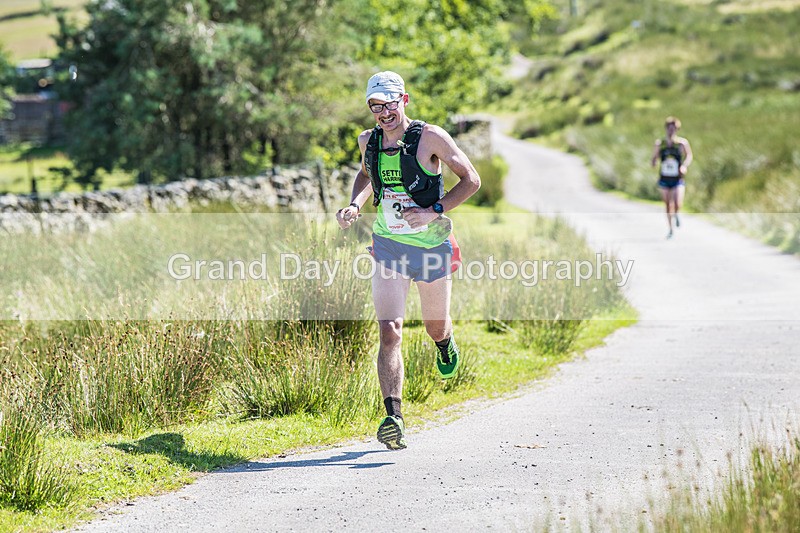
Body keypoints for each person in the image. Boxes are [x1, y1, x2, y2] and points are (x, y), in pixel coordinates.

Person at [336, 71, 481, 450]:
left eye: (389, 103)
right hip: (388, 245)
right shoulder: (368, 140)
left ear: (405, 100)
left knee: (435, 327)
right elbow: (366, 174)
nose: (383, 112)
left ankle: (445, 342)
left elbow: (472, 180)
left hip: (432, 246)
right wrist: (354, 204)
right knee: (390, 331)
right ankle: (394, 417)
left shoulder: (431, 137)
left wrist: (435, 210)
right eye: (375, 106)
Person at [651, 116, 693, 238]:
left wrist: (684, 166)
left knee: (677, 202)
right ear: (666, 129)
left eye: (673, 128)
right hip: (664, 178)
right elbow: (654, 157)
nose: (671, 131)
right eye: (669, 128)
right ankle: (670, 229)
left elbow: (689, 156)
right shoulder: (660, 144)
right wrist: (653, 162)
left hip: (677, 178)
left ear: (677, 129)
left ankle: (677, 214)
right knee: (667, 204)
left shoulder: (682, 143)